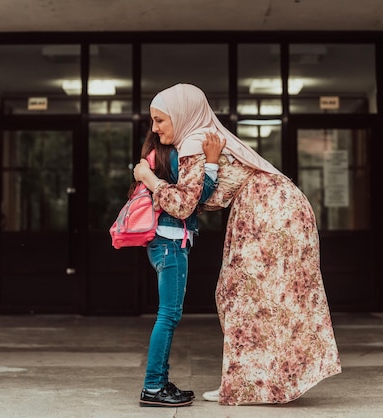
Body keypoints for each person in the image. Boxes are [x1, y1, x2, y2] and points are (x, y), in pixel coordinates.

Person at [134, 83, 341, 406]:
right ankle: (251, 380)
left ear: (182, 115)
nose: (155, 128)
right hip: (274, 205)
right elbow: (202, 196)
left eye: (160, 120)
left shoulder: (193, 144)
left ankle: (254, 383)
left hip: (268, 209)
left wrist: (148, 178)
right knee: (248, 294)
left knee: (242, 294)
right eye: (153, 120)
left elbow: (183, 204)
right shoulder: (202, 138)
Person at [137, 130, 226, 408]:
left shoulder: (153, 157)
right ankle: (153, 386)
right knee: (168, 316)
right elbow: (196, 197)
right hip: (171, 243)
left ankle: (159, 382)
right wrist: (212, 162)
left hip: (162, 243)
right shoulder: (175, 156)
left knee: (168, 315)